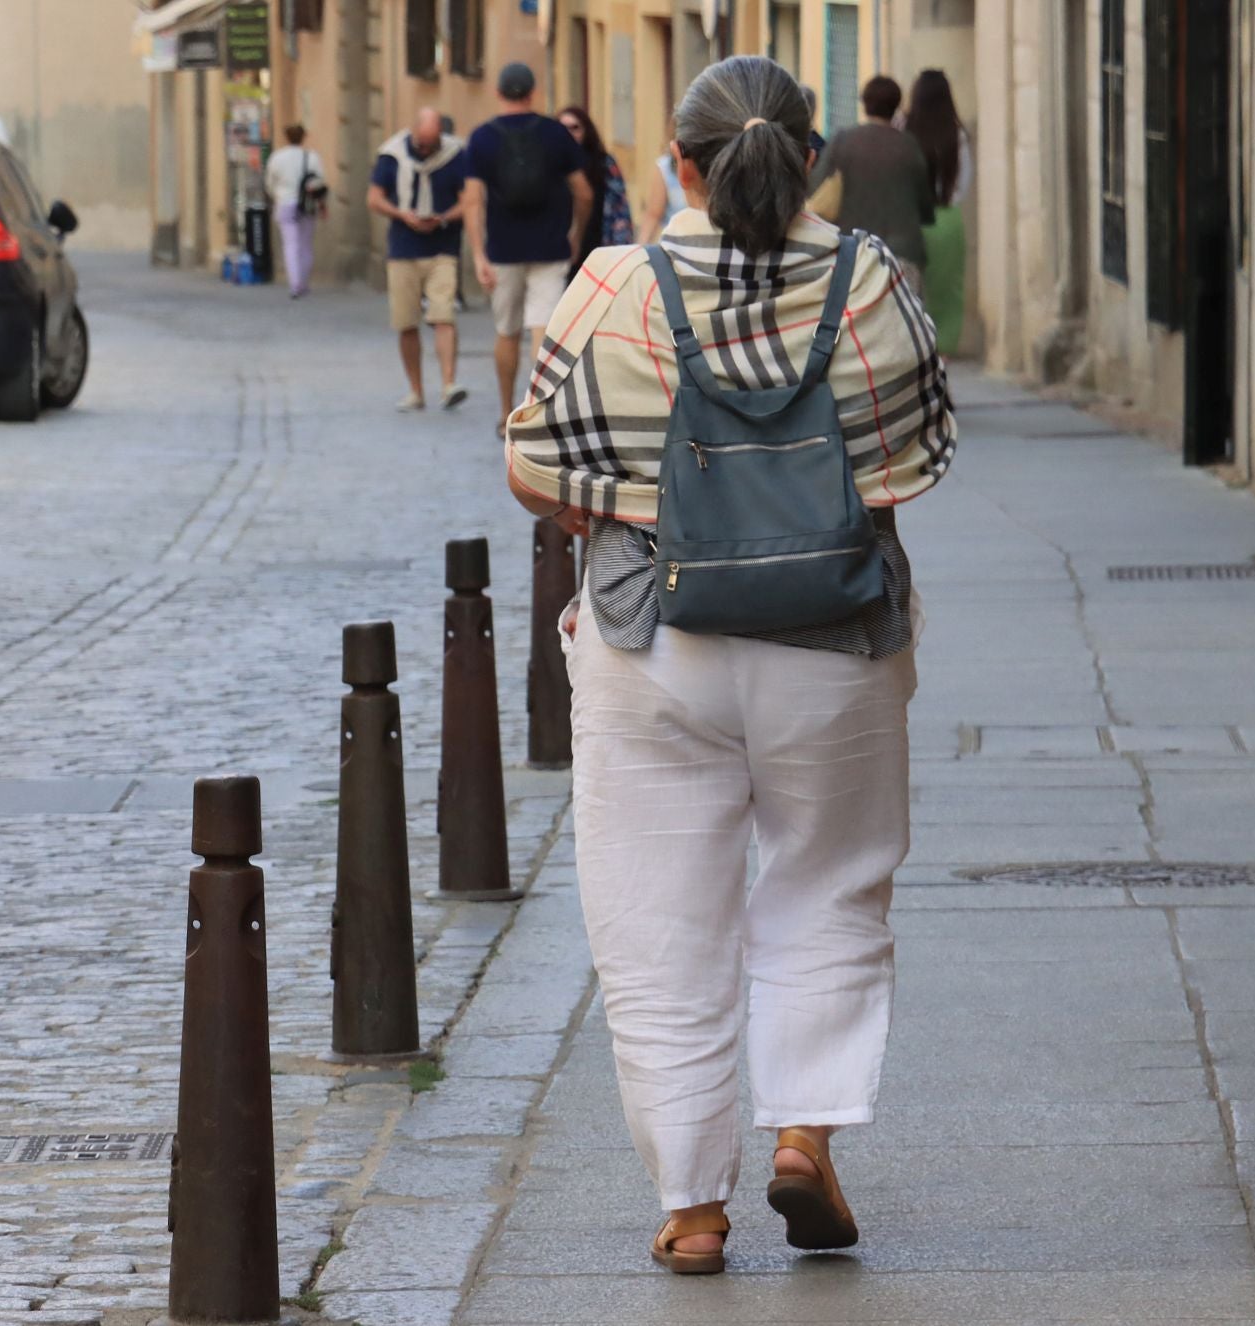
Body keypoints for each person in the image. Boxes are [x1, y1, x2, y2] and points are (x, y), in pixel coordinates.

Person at [505, 55, 956, 1275]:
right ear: (809, 159)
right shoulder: (871, 283)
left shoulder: (614, 286)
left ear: (686, 169)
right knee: (830, 887)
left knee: (659, 932)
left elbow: (536, 469)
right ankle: (803, 1135)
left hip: (657, 640)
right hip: (839, 640)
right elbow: (916, 458)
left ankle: (693, 1210)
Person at [465, 62, 593, 436]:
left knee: (506, 331)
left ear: (498, 93)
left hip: (503, 250)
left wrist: (477, 253)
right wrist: (575, 232)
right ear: (533, 93)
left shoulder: (482, 138)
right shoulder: (555, 134)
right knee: (544, 329)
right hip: (551, 246)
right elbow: (583, 191)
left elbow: (473, 201)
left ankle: (506, 413)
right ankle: (537, 413)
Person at [369, 108, 471, 412]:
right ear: (413, 133)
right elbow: (374, 198)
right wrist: (402, 215)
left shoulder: (456, 155)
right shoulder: (391, 155)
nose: (426, 150)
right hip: (403, 248)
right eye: (422, 143)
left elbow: (470, 201)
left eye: (432, 143)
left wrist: (442, 218)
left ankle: (449, 384)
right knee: (406, 322)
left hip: (443, 247)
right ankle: (416, 391)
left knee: (444, 316)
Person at [809, 75, 934, 298]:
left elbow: (814, 187)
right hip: (903, 254)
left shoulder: (843, 141)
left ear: (865, 103)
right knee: (904, 325)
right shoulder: (909, 146)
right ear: (896, 105)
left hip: (855, 254)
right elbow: (925, 205)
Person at [903, 69, 972, 354]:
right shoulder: (957, 133)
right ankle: (941, 360)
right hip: (947, 218)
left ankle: (917, 357)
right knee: (947, 297)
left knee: (910, 296)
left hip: (911, 218)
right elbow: (965, 180)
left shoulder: (903, 129)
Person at [559, 104, 634, 280]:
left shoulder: (604, 163)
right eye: (563, 128)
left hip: (599, 240)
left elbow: (619, 207)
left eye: (575, 127)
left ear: (586, 130)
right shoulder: (551, 164)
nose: (569, 133)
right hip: (561, 244)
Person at [265, 125, 325, 299]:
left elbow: (270, 182)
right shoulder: (311, 157)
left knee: (290, 244)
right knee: (306, 244)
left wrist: (276, 194)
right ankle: (304, 282)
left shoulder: (277, 157)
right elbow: (319, 181)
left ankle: (295, 284)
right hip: (306, 204)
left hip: (285, 202)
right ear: (303, 137)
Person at [638, 115, 686, 243]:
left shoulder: (713, 164)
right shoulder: (665, 168)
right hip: (675, 246)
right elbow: (653, 214)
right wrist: (640, 251)